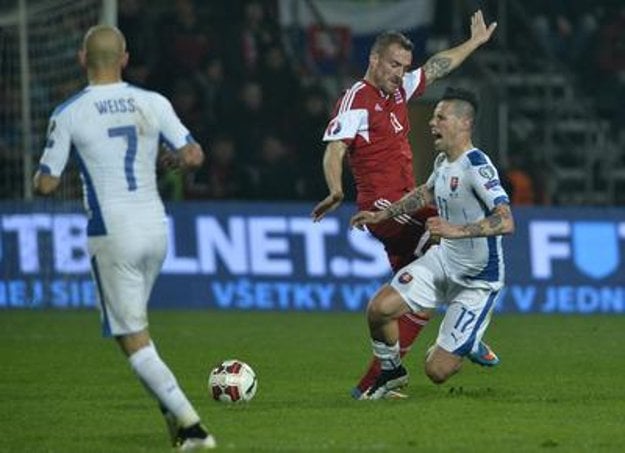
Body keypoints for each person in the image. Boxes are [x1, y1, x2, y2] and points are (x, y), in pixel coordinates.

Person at [33, 25, 216, 451]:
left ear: (82, 59)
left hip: (112, 233)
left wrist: (44, 170)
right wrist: (171, 160)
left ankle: (193, 428)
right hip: (156, 228)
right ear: (125, 58)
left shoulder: (70, 112)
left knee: (132, 340)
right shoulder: (153, 102)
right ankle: (172, 417)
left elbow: (45, 185)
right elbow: (193, 154)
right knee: (139, 332)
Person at [311, 10, 498, 399]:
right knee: (445, 246)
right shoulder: (355, 100)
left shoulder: (398, 91)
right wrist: (335, 190)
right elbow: (335, 151)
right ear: (374, 59)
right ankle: (467, 330)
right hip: (385, 207)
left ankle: (390, 375)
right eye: (393, 64)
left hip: (408, 198)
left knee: (401, 303)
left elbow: (436, 67)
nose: (400, 73)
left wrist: (474, 43)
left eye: (404, 66)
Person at [349, 87, 514, 399]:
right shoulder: (443, 161)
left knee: (437, 372)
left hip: (477, 281)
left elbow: (506, 220)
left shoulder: (477, 166)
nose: (432, 123)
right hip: (442, 262)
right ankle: (391, 373)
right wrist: (382, 215)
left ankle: (468, 339)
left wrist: (455, 230)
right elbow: (424, 193)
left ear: (464, 124)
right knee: (379, 309)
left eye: (441, 117)